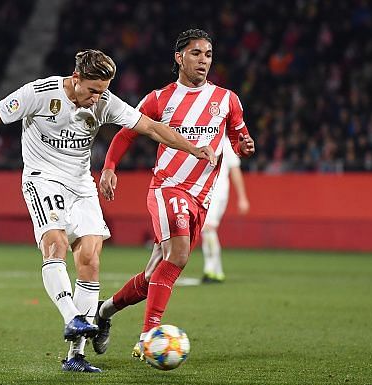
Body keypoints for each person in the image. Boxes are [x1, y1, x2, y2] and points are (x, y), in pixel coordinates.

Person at [0, 49, 215, 373]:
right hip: (43, 179)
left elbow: (151, 128)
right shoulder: (41, 93)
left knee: (90, 257)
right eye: (92, 91)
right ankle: (72, 317)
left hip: (81, 184)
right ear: (75, 79)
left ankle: (76, 356)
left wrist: (193, 148)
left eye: (103, 91)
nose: (97, 98)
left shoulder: (105, 101)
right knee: (55, 244)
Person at [94, 29, 255, 358]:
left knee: (155, 272)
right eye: (196, 53)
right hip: (168, 187)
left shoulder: (227, 100)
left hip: (201, 197)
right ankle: (148, 337)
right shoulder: (158, 99)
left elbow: (239, 139)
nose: (204, 60)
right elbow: (126, 134)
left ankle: (103, 312)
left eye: (208, 54)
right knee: (179, 255)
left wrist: (245, 146)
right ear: (179, 58)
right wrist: (109, 167)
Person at [201, 135, 250, 283]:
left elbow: (235, 170)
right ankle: (217, 271)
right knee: (206, 229)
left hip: (217, 192)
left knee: (208, 228)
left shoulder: (225, 142)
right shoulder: (203, 137)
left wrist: (242, 197)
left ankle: (209, 270)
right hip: (204, 191)